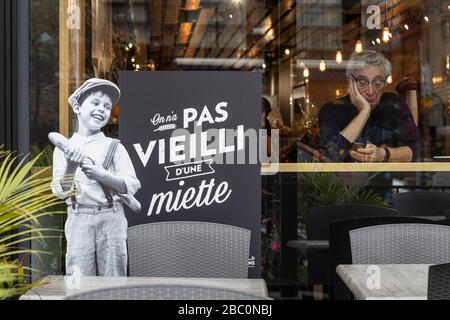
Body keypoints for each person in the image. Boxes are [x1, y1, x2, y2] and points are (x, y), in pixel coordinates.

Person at [51, 78, 141, 276]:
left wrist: (104, 176)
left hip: (111, 218)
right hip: (78, 218)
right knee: (79, 277)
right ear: (77, 106)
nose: (101, 109)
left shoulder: (114, 147)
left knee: (113, 277)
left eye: (107, 106)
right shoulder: (64, 149)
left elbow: (131, 185)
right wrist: (71, 167)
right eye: (95, 103)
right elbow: (61, 191)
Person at [318, 50, 423, 162]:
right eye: (363, 83)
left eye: (378, 83)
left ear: (385, 84)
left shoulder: (393, 104)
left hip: (389, 179)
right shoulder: (331, 110)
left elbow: (418, 149)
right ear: (350, 81)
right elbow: (328, 156)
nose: (371, 91)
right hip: (344, 179)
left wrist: (384, 154)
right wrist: (364, 112)